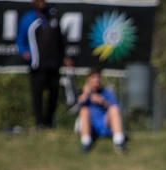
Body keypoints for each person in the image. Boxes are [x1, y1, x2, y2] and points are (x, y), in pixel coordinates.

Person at [17, 0, 69, 129]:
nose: (42, 3)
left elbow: (60, 39)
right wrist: (25, 53)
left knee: (54, 94)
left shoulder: (53, 16)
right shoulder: (29, 18)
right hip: (37, 65)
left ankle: (49, 121)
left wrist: (64, 57)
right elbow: (20, 39)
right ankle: (39, 123)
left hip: (54, 64)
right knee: (37, 95)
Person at [77, 68, 126, 153]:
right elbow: (77, 106)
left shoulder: (106, 93)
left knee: (113, 109)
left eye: (98, 77)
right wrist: (86, 94)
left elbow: (116, 109)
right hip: (90, 126)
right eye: (93, 77)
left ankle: (119, 142)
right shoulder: (83, 92)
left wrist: (103, 102)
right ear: (88, 79)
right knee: (84, 110)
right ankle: (86, 143)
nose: (96, 80)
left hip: (105, 124)